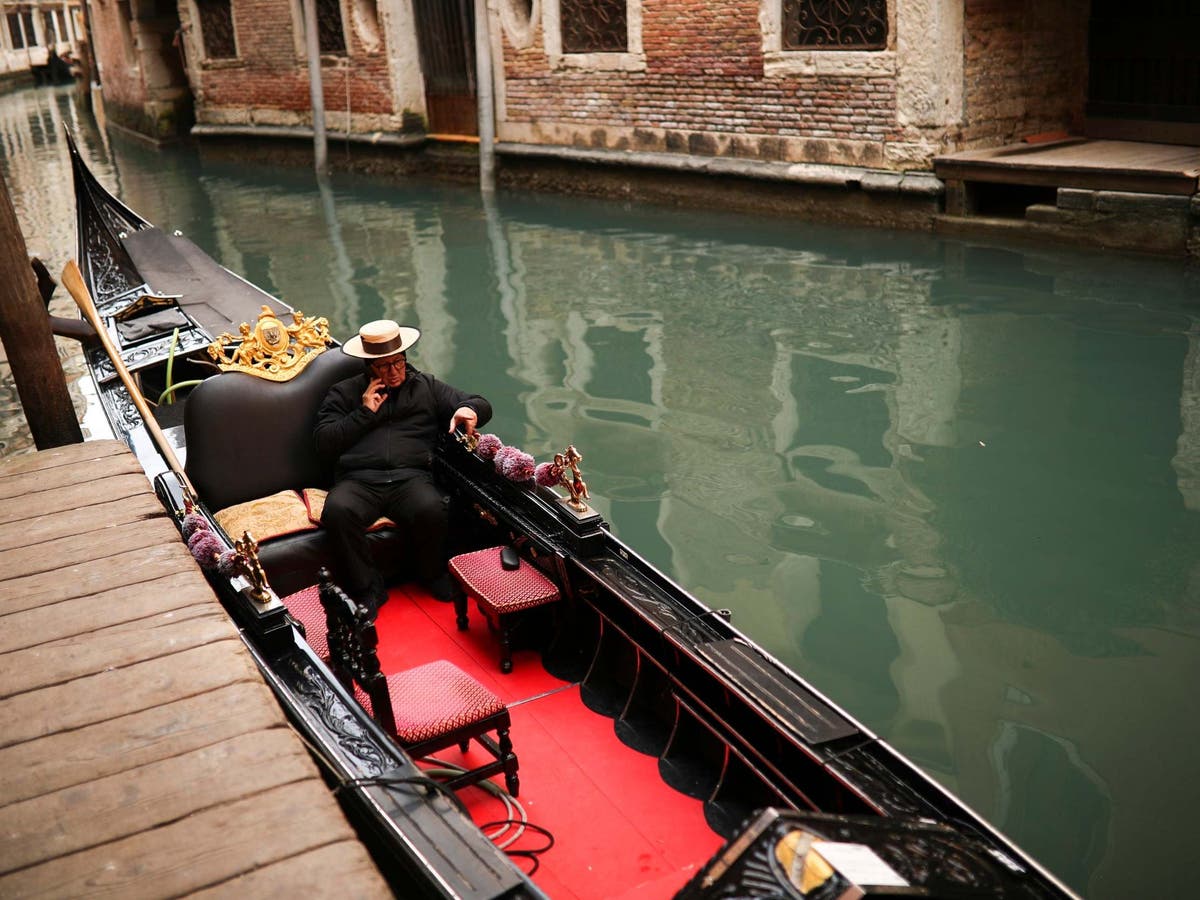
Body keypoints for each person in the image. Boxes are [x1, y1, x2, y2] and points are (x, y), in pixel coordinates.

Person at [314, 320, 490, 610]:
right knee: (337, 511)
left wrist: (466, 410)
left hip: (411, 478)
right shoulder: (344, 393)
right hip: (359, 480)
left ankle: (431, 575)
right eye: (384, 366)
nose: (394, 372)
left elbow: (479, 402)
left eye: (399, 363)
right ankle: (368, 587)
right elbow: (323, 442)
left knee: (432, 507)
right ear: (369, 366)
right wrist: (364, 413)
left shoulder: (426, 386)